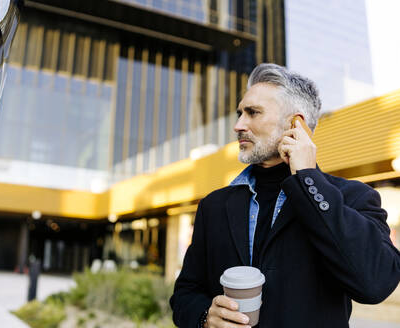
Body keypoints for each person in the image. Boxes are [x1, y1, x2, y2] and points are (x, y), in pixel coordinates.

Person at [169, 63, 400, 328]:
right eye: (239, 113)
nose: (238, 125)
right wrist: (204, 316)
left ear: (296, 124)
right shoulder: (214, 205)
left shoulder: (353, 197)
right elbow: (185, 292)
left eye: (252, 113)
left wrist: (308, 179)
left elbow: (376, 283)